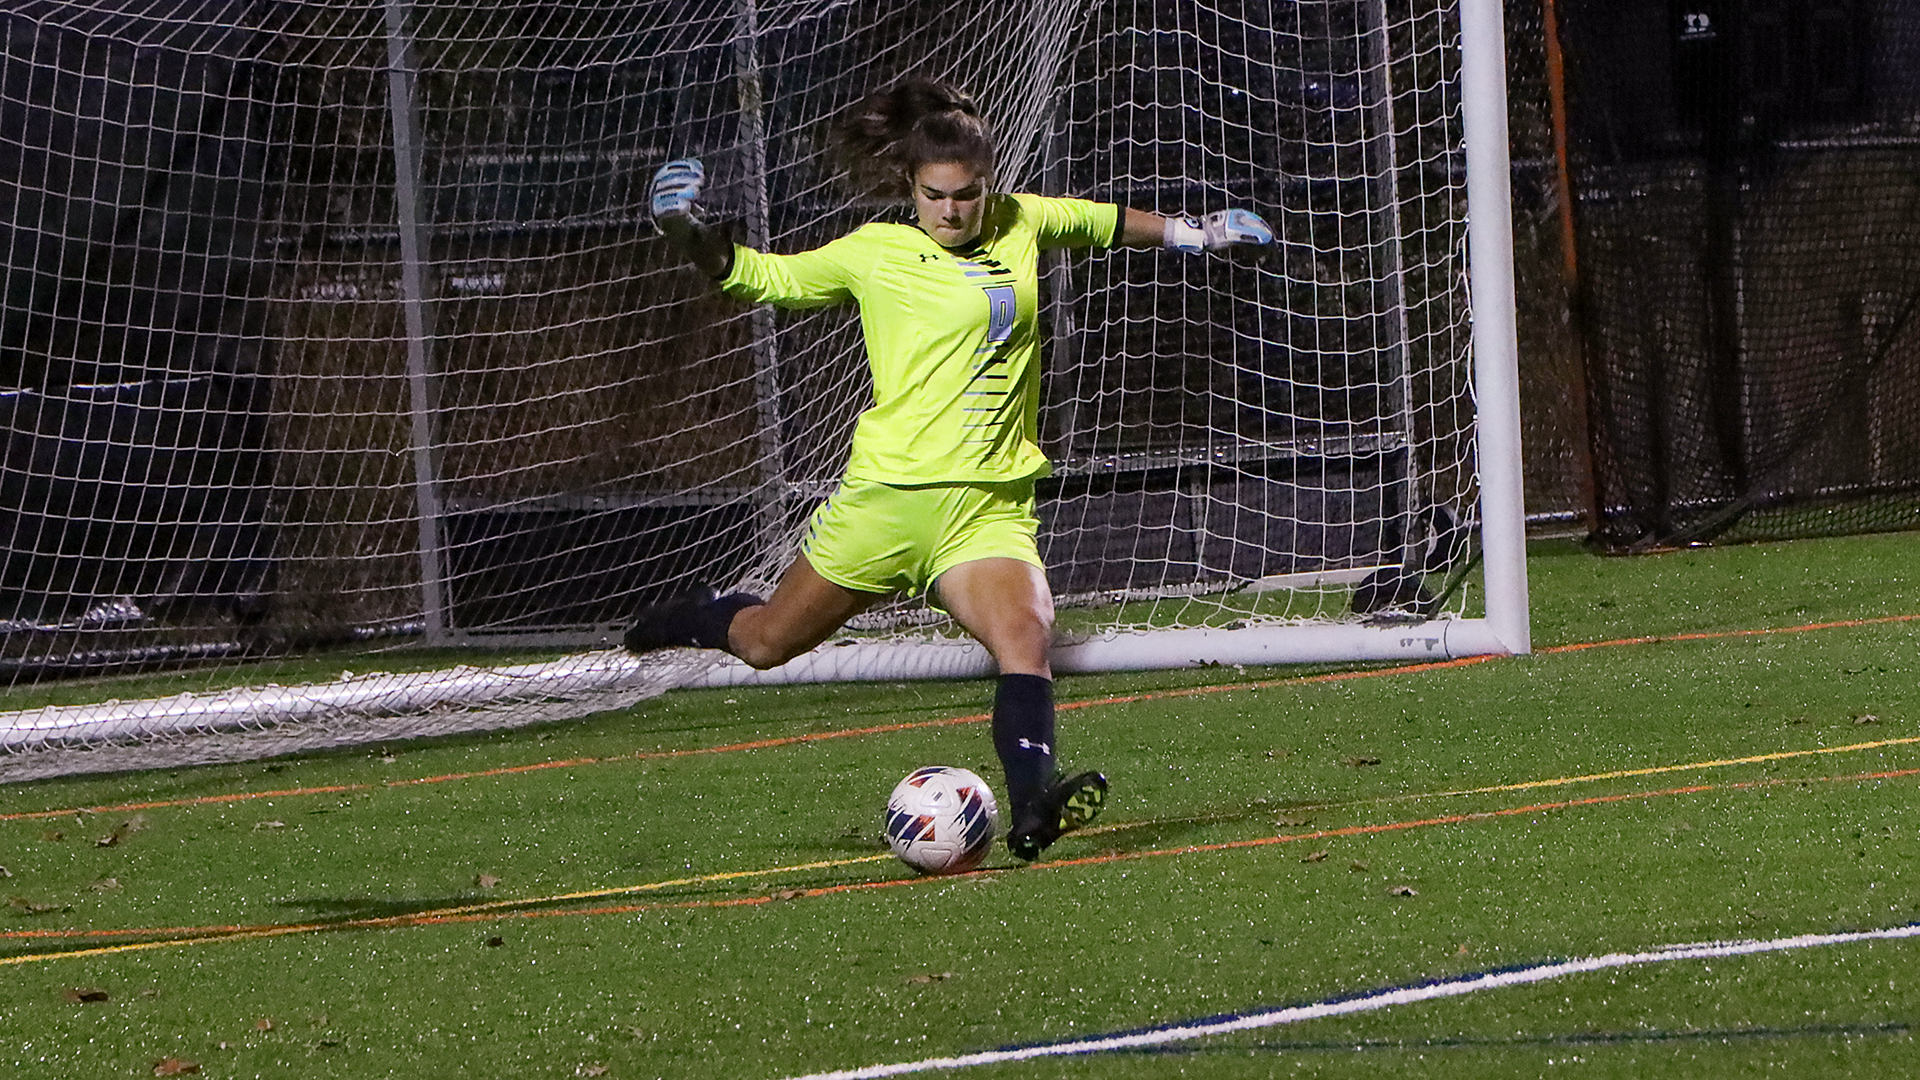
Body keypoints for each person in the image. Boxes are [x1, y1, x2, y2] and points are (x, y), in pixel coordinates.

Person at [629, 77, 1272, 862]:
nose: (951, 212)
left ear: (987, 185)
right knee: (765, 645)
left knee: (1025, 640)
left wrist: (1192, 233)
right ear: (911, 188)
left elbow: (1105, 223)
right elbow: (763, 277)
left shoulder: (1021, 224)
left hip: (986, 510)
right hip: (886, 505)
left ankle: (1035, 803)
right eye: (934, 196)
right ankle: (699, 613)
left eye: (966, 195)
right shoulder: (876, 252)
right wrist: (686, 232)